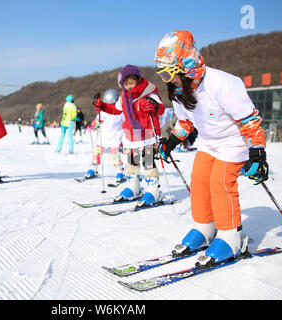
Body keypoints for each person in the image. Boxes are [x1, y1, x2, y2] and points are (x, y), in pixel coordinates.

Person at [155, 30, 269, 267]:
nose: (167, 79)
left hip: (234, 142)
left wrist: (257, 152)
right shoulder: (179, 91)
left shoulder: (222, 84)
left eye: (169, 72)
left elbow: (249, 120)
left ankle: (230, 236)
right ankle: (205, 227)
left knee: (220, 183)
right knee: (199, 180)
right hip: (209, 143)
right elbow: (186, 122)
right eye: (162, 73)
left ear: (187, 66)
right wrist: (172, 142)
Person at [94, 65, 165, 206]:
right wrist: (102, 106)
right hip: (131, 134)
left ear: (138, 80)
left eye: (131, 83)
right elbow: (116, 110)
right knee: (132, 161)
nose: (128, 87)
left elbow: (160, 108)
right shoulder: (123, 96)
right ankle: (133, 187)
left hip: (147, 132)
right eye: (125, 84)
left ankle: (153, 190)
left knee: (148, 160)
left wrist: (153, 106)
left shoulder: (149, 92)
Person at [84, 91, 125, 184]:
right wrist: (92, 126)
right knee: (96, 153)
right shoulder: (103, 112)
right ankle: (93, 168)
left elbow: (126, 122)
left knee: (114, 155)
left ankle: (119, 170)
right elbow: (97, 121)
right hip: (103, 137)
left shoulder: (121, 112)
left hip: (115, 137)